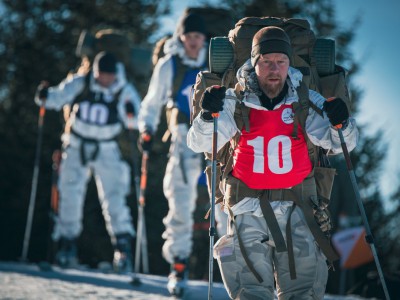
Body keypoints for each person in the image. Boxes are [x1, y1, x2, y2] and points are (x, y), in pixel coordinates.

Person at [187, 26, 359, 299]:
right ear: (254, 63)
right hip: (246, 209)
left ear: (289, 63)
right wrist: (208, 116)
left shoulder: (305, 99)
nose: (274, 68)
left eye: (281, 61)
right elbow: (200, 144)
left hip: (299, 209)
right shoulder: (234, 99)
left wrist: (343, 123)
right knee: (251, 292)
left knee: (303, 292)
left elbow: (341, 145)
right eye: (266, 61)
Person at [137, 12, 227, 294]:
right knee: (179, 202)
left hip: (215, 140)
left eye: (198, 37)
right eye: (189, 37)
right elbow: (151, 102)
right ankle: (178, 266)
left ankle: (233, 268)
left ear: (204, 39)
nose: (194, 42)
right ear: (181, 37)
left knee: (226, 202)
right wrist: (146, 129)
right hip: (182, 140)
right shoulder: (169, 64)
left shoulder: (214, 62)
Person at [35, 51, 141, 273]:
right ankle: (66, 246)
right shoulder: (81, 83)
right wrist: (44, 95)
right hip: (75, 144)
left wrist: (132, 114)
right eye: (102, 74)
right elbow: (56, 98)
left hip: (107, 146)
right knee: (70, 193)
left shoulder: (122, 89)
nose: (105, 79)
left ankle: (122, 250)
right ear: (95, 71)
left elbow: (137, 119)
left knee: (114, 196)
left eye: (109, 75)